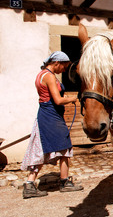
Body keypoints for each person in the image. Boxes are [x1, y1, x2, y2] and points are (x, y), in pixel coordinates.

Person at [21, 51, 83, 198]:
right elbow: (57, 100)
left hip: (46, 114)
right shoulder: (49, 76)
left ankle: (30, 184)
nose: (64, 70)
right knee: (65, 146)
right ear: (56, 63)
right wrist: (74, 98)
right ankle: (64, 182)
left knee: (43, 148)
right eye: (63, 67)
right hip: (51, 116)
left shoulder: (41, 74)